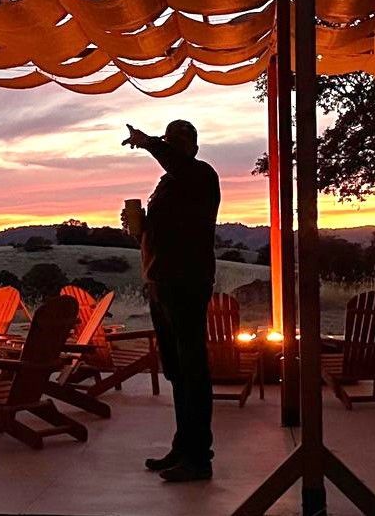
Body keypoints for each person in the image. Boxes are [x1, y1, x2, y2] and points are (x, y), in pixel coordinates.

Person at [121, 119, 220, 483]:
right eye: (170, 139)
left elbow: (175, 163)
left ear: (194, 146)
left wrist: (147, 142)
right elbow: (165, 231)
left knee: (193, 372)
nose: (174, 145)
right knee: (178, 372)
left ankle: (199, 458)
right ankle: (183, 447)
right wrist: (141, 228)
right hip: (160, 283)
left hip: (187, 284)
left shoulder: (200, 175)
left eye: (181, 140)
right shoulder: (167, 184)